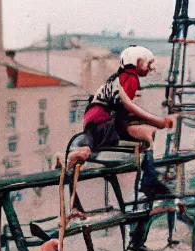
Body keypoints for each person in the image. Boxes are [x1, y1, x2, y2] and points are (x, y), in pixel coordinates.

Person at [67, 45, 176, 199]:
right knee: (149, 134)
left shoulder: (119, 78)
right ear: (136, 60)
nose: (149, 68)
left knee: (144, 133)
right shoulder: (130, 78)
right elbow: (127, 106)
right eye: (146, 62)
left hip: (97, 120)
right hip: (106, 121)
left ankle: (148, 175)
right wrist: (157, 122)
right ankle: (149, 178)